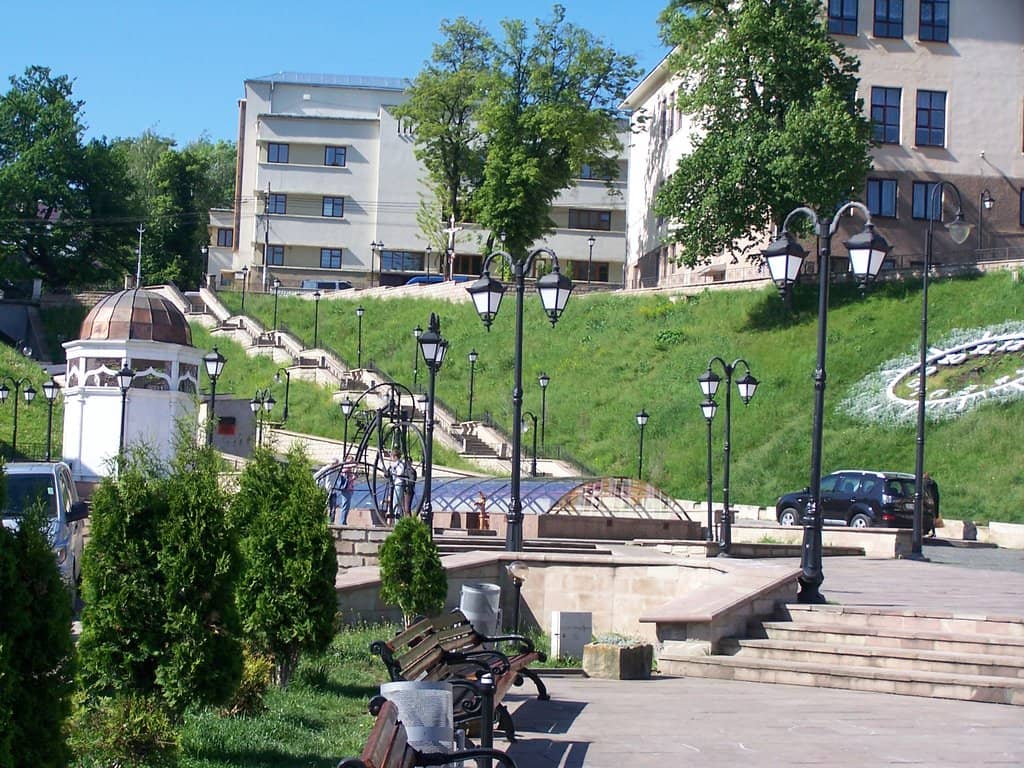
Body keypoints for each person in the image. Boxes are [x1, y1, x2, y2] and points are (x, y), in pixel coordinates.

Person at [335, 460, 356, 526]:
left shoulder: (349, 471)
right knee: (345, 506)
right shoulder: (345, 468)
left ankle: (343, 521)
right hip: (346, 489)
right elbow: (346, 469)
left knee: (346, 506)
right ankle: (342, 522)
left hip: (349, 489)